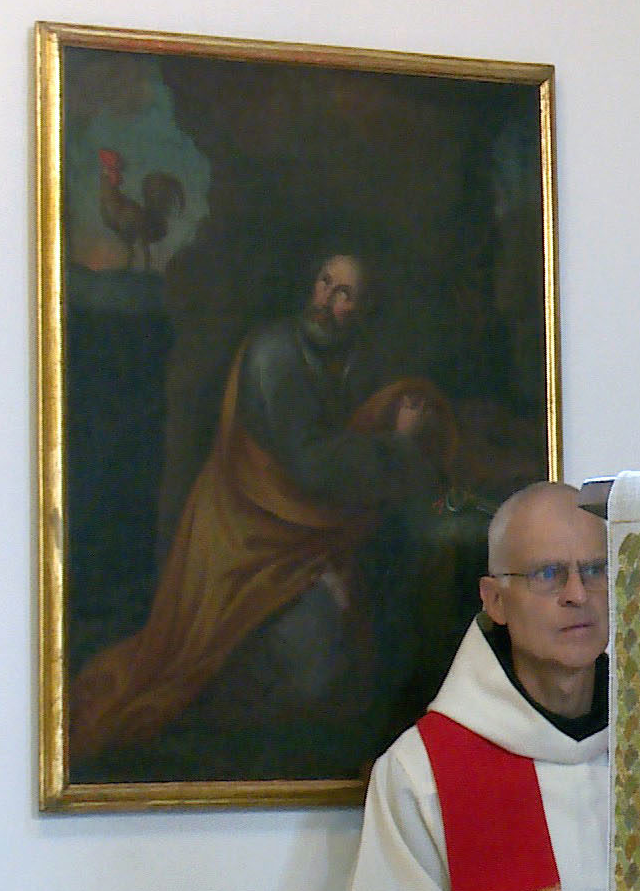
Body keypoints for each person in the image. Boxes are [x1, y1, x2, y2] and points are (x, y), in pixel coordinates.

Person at [71, 253, 453, 765]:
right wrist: (400, 446)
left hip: (314, 535)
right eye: (324, 282)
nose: (328, 299)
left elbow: (353, 443)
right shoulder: (275, 352)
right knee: (301, 668)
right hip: (247, 534)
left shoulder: (356, 359)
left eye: (345, 294)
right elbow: (312, 465)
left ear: (360, 310)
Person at [346, 481, 612, 891]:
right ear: (495, 601)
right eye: (548, 574)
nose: (578, 594)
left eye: (596, 570)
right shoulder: (420, 773)